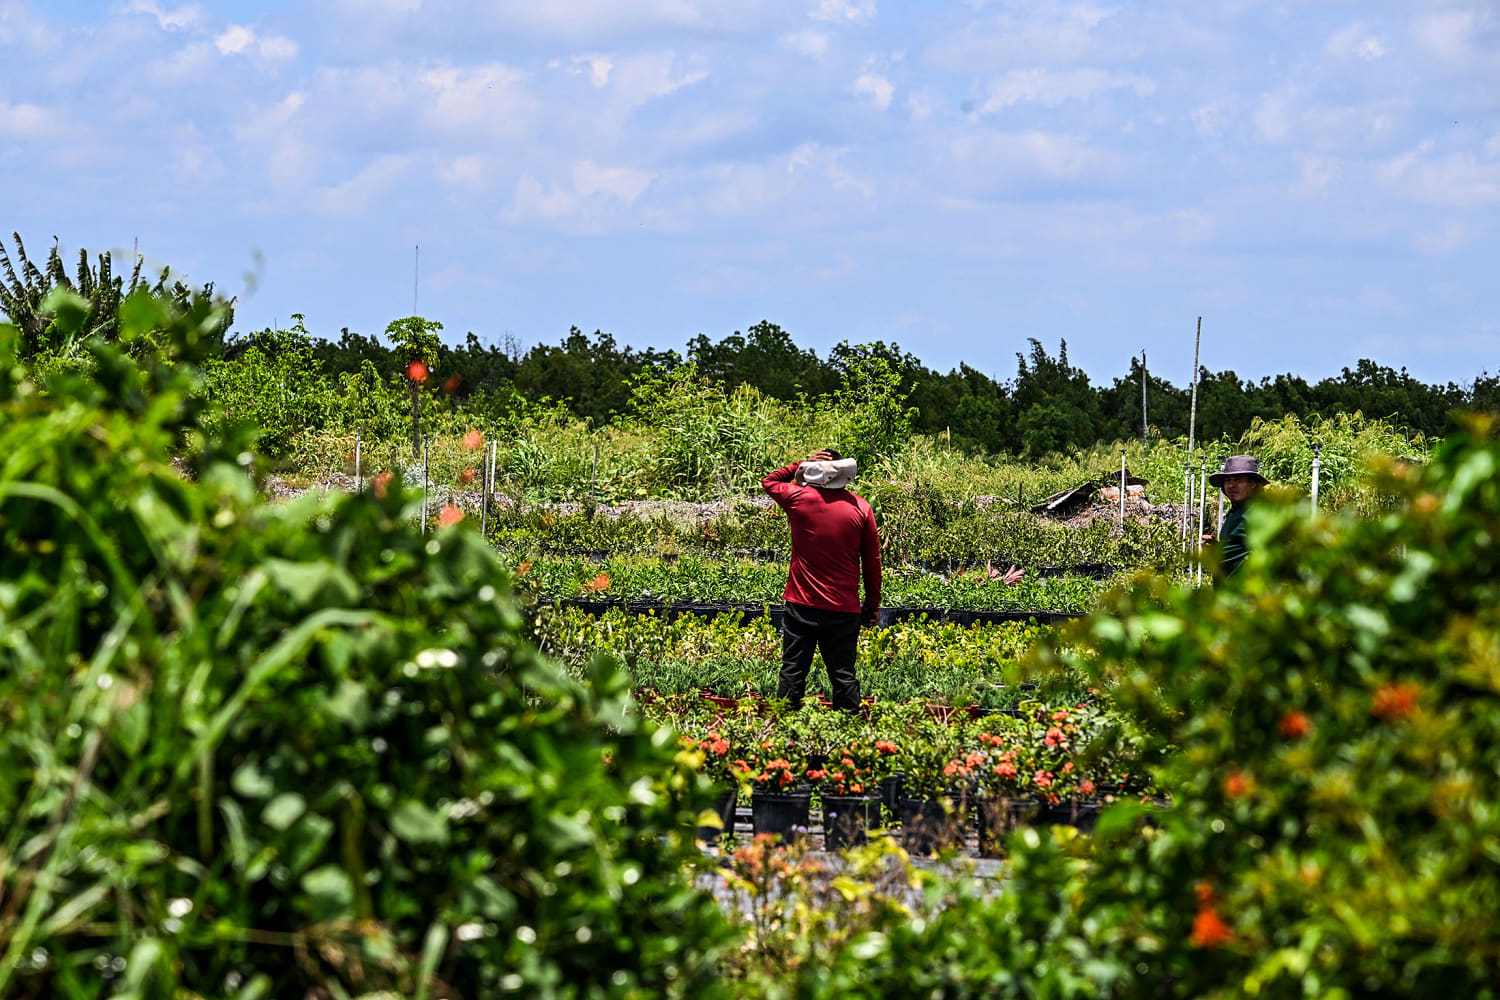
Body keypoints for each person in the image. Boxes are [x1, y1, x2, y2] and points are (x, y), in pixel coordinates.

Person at [762, 449, 881, 711]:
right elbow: (872, 562)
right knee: (843, 675)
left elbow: (770, 481)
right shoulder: (861, 507)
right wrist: (872, 605)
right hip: (843, 609)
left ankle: (782, 738)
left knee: (793, 672)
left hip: (801, 604)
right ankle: (849, 737)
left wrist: (801, 463)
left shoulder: (799, 498)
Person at [1205, 454, 1268, 580]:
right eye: (1228, 480)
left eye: (1238, 479)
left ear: (1253, 483)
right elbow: (1240, 548)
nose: (1231, 485)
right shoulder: (1237, 511)